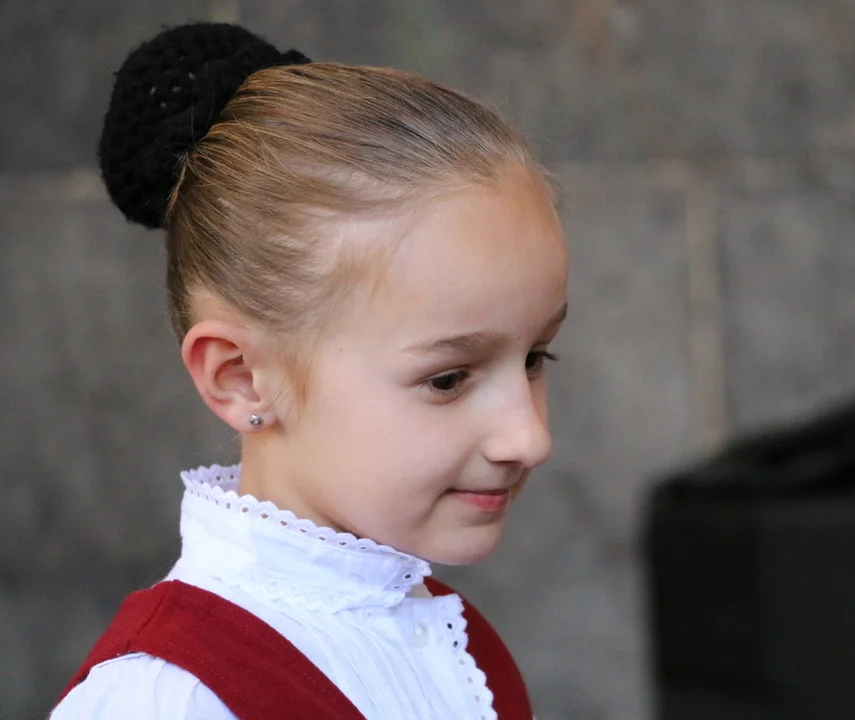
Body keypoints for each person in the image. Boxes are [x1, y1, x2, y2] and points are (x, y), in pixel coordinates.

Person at [50, 20, 568, 720]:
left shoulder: (456, 648)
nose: (530, 438)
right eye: (448, 378)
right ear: (241, 376)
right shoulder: (170, 697)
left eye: (534, 358)